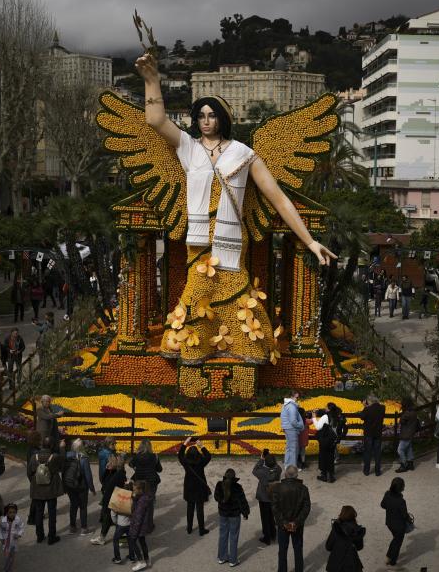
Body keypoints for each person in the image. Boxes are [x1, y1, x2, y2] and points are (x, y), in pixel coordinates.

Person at [134, 53, 336, 370]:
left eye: (212, 115)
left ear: (223, 118)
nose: (206, 120)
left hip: (230, 241)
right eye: (200, 115)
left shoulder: (244, 154)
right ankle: (195, 348)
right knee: (198, 291)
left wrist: (309, 241)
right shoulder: (189, 147)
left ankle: (247, 346)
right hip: (199, 243)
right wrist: (151, 81)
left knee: (236, 292)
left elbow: (279, 199)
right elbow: (155, 120)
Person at [271, 465, 310, 572]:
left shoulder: (277, 488)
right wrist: (296, 522)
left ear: (285, 474)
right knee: (298, 549)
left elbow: (275, 508)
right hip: (297, 525)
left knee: (282, 550)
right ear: (296, 475)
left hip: (283, 525)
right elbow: (306, 508)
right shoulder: (303, 488)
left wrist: (284, 522)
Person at [29, 436, 64, 545]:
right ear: (52, 445)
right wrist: (62, 448)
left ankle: (39, 536)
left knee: (39, 513)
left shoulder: (34, 457)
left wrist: (35, 483)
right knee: (52, 513)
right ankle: (51, 537)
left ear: (42, 444)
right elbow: (62, 466)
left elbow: (29, 472)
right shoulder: (55, 457)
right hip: (51, 490)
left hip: (38, 489)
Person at [214, 467, 250, 566]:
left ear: (225, 476)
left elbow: (216, 498)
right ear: (234, 477)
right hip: (234, 515)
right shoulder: (237, 487)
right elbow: (242, 502)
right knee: (233, 537)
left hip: (223, 514)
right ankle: (233, 560)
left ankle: (222, 557)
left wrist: (222, 500)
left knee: (223, 535)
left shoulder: (219, 485)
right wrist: (245, 513)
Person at [91, 452, 128, 546]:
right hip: (110, 500)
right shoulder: (112, 472)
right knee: (109, 520)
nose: (108, 463)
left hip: (113, 500)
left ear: (115, 463)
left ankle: (122, 541)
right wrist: (107, 470)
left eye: (110, 462)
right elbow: (103, 481)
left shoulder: (119, 474)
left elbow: (111, 489)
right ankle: (103, 538)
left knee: (118, 521)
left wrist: (105, 503)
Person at [178, 437, 212, 535]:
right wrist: (201, 446)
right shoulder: (201, 462)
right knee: (200, 509)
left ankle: (189, 528)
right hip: (199, 487)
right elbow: (208, 456)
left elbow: (180, 455)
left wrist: (185, 443)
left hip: (189, 486)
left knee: (190, 508)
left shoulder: (186, 462)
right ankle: (201, 529)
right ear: (198, 454)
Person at [64, 438, 96, 535]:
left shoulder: (66, 456)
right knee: (83, 506)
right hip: (81, 486)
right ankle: (84, 528)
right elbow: (88, 475)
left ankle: (72, 526)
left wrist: (64, 485)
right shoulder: (84, 458)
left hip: (70, 485)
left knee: (73, 505)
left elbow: (64, 472)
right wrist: (92, 488)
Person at [252, 449, 282, 546]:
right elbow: (277, 466)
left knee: (265, 518)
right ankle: (273, 534)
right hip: (273, 496)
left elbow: (254, 470)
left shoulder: (262, 472)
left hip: (264, 497)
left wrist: (261, 459)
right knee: (271, 516)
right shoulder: (278, 470)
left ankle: (267, 537)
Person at [380, 477, 412, 567]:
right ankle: (392, 561)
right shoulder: (401, 501)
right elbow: (404, 515)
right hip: (399, 526)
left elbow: (382, 505)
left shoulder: (387, 494)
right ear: (401, 488)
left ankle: (388, 556)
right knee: (397, 543)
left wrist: (391, 507)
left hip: (389, 523)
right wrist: (409, 520)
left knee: (395, 540)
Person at [325, 505, 365, 572]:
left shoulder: (336, 528)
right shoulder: (357, 530)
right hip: (352, 565)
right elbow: (359, 547)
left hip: (336, 564)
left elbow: (328, 546)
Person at [128, 480, 155, 571]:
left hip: (139, 526)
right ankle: (147, 560)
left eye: (135, 490)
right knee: (142, 542)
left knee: (132, 541)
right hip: (144, 526)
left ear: (140, 490)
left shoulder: (142, 502)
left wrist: (134, 531)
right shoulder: (145, 497)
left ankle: (141, 561)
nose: (134, 491)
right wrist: (134, 497)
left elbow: (138, 517)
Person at [129, 438, 163, 503]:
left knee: (139, 501)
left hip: (139, 479)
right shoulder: (154, 456)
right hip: (151, 480)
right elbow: (159, 469)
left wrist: (136, 468)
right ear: (150, 446)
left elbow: (130, 464)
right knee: (150, 501)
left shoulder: (137, 456)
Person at [358, 395, 385, 476]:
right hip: (378, 433)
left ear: (370, 401)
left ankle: (366, 471)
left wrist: (365, 407)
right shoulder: (382, 408)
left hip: (369, 433)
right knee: (377, 452)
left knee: (368, 452)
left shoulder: (367, 409)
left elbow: (362, 416)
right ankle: (377, 471)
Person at [280, 391, 304, 470]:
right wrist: (300, 425)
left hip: (287, 428)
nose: (297, 399)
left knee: (289, 448)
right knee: (293, 449)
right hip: (291, 429)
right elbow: (293, 421)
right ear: (291, 397)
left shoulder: (286, 405)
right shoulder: (291, 406)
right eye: (296, 397)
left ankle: (287, 465)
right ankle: (292, 467)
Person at [0, 503, 25, 572]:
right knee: (7, 557)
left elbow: (21, 527)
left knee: (12, 557)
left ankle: (9, 569)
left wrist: (19, 534)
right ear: (6, 513)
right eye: (10, 512)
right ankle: (6, 569)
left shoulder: (17, 519)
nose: (12, 514)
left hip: (14, 542)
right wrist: (1, 538)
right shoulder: (3, 521)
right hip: (6, 542)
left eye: (14, 512)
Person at [313, 408, 337, 483]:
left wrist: (313, 417)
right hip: (332, 439)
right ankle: (331, 475)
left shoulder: (325, 417)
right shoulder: (334, 416)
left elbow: (318, 427)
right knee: (330, 456)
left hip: (325, 439)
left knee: (323, 456)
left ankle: (324, 475)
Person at [395, 399, 418, 473]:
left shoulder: (407, 413)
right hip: (411, 433)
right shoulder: (414, 412)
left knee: (400, 450)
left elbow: (401, 421)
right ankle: (410, 464)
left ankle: (404, 465)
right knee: (409, 448)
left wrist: (403, 413)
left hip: (406, 434)